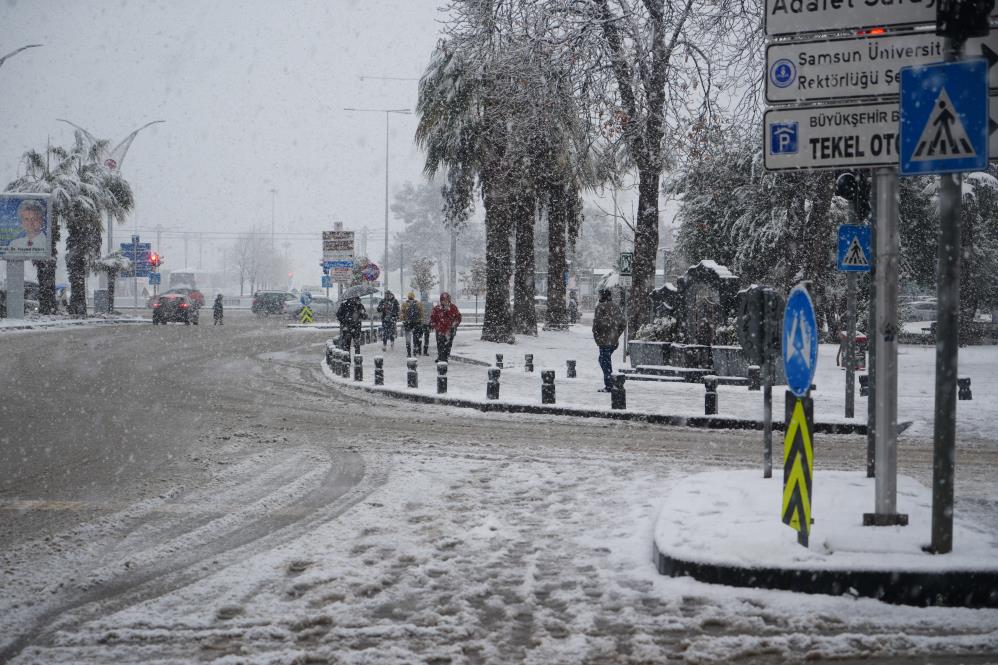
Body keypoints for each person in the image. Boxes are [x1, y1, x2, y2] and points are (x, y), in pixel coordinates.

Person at [592, 288, 625, 392]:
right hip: (613, 340)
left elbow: (596, 325)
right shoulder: (616, 307)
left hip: (604, 340)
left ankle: (610, 385)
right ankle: (611, 382)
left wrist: (598, 335)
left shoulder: (600, 307)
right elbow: (623, 323)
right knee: (604, 360)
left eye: (600, 295)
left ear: (603, 296)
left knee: (605, 362)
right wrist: (616, 334)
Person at [429, 292, 462, 363]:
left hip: (449, 330)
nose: (445, 301)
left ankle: (445, 357)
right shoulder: (437, 308)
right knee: (440, 344)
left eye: (446, 300)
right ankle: (441, 356)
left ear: (449, 300)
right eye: (443, 300)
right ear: (441, 300)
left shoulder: (453, 307)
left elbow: (458, 317)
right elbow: (432, 318)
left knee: (448, 345)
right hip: (440, 329)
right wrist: (434, 324)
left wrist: (454, 323)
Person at [401, 291, 423, 357]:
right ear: (414, 297)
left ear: (408, 297)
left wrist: (404, 320)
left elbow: (402, 314)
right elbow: (421, 314)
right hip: (416, 323)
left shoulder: (404, 304)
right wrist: (419, 320)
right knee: (415, 337)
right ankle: (414, 351)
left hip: (408, 323)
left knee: (408, 338)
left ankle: (408, 353)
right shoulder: (418, 304)